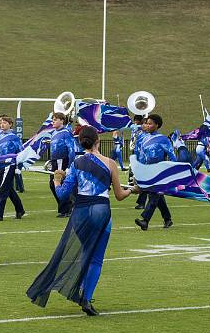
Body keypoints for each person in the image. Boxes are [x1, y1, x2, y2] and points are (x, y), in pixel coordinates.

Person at [27, 126, 135, 316]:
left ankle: (81, 292)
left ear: (81, 142)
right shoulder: (110, 163)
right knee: (96, 258)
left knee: (86, 251)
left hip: (81, 213)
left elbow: (62, 195)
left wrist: (57, 180)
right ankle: (86, 297)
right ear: (98, 141)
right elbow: (119, 195)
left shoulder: (76, 163)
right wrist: (133, 190)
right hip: (102, 211)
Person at [134, 114, 177, 231]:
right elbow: (142, 156)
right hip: (148, 170)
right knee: (157, 196)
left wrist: (174, 170)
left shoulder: (163, 139)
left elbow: (172, 155)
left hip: (160, 171)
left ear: (157, 125)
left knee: (153, 196)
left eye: (150, 123)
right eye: (147, 123)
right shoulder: (144, 138)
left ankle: (145, 220)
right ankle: (167, 219)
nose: (147, 125)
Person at [0, 115, 25, 221]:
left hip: (9, 165)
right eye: (0, 122)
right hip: (0, 164)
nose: (2, 124)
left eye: (4, 123)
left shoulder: (14, 137)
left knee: (3, 189)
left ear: (10, 125)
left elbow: (20, 150)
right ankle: (20, 209)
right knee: (9, 189)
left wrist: (19, 165)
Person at [49, 112, 76, 217]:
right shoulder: (54, 133)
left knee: (59, 183)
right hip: (55, 161)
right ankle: (65, 207)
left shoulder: (66, 132)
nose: (53, 121)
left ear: (62, 120)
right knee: (52, 184)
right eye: (53, 120)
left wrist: (69, 166)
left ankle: (66, 209)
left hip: (62, 160)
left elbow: (71, 149)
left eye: (55, 119)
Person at [129, 115, 148, 210]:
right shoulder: (137, 131)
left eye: (148, 124)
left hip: (145, 161)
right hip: (139, 158)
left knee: (145, 183)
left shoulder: (147, 135)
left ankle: (142, 202)